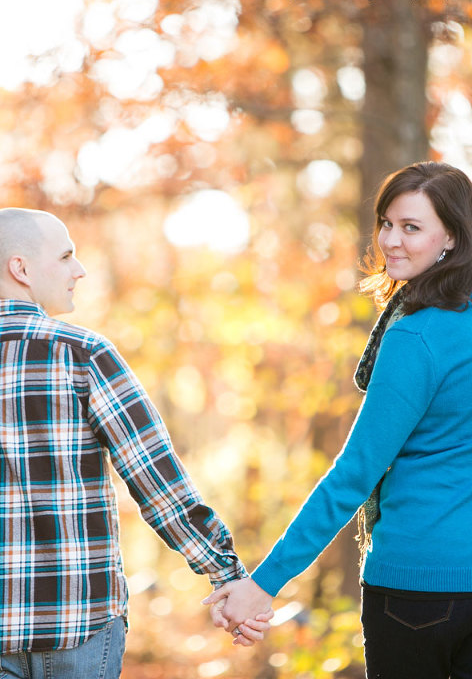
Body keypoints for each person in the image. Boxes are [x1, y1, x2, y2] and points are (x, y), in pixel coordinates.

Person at [204, 161, 472, 678]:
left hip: (417, 589)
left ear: (452, 238)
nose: (391, 241)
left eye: (412, 227)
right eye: (387, 223)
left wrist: (263, 584)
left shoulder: (415, 337)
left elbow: (355, 473)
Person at [0, 208, 271, 679]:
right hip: (79, 629)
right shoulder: (82, 354)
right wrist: (226, 574)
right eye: (66, 256)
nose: (79, 270)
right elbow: (157, 481)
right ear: (20, 269)